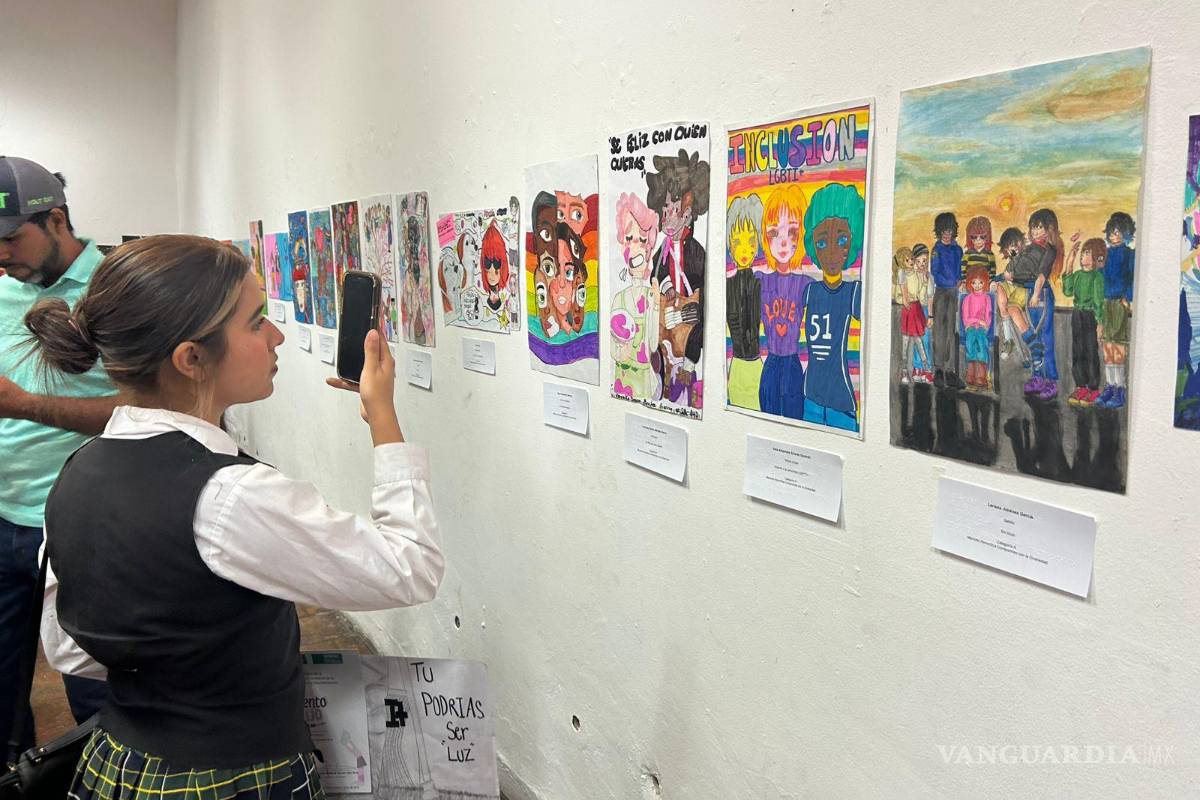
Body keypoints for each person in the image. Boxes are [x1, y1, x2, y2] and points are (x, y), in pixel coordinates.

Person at [25, 235, 443, 799]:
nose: (277, 335)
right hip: (233, 775)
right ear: (191, 358)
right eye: (256, 322)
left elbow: (70, 649)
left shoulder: (76, 473)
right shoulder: (230, 495)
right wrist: (383, 418)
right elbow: (408, 567)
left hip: (121, 762)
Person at [0, 157, 117, 750]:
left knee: (99, 694)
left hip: (88, 526)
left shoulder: (121, 291)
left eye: (10, 237)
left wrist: (24, 405)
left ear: (57, 220)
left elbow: (161, 414)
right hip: (2, 521)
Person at [799, 183, 865, 431]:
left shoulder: (852, 292)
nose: (832, 254)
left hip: (840, 398)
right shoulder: (810, 291)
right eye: (823, 243)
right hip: (811, 395)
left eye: (842, 240)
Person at [1062, 236, 1106, 406]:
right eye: (1082, 254)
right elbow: (1067, 291)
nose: (1083, 258)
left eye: (1087, 254)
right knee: (1077, 351)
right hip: (1077, 315)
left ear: (1096, 257)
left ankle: (1093, 388)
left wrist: (1100, 324)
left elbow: (1098, 303)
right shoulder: (1079, 275)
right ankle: (1081, 386)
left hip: (1090, 317)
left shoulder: (1097, 277)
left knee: (1090, 352)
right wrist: (1069, 263)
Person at [930, 212, 965, 389]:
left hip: (954, 293)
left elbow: (960, 270)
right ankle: (938, 370)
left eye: (949, 230)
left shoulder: (958, 250)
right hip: (941, 292)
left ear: (953, 230)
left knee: (951, 330)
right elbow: (935, 274)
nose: (946, 234)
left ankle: (950, 371)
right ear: (939, 231)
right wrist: (952, 282)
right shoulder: (936, 250)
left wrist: (959, 280)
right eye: (943, 230)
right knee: (939, 331)